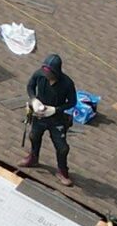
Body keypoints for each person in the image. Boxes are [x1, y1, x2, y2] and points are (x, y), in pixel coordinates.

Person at [24, 54, 79, 185]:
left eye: (49, 73)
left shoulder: (67, 83)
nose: (46, 75)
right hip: (40, 115)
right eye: (45, 72)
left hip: (57, 120)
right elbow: (30, 86)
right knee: (34, 136)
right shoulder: (39, 75)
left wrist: (55, 110)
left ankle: (62, 171)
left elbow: (72, 102)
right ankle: (33, 157)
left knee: (62, 148)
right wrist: (34, 100)